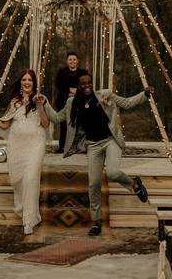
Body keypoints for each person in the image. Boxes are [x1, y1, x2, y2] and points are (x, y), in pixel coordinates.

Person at [46, 74, 153, 236]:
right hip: (93, 145)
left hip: (110, 141)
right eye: (83, 84)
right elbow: (55, 118)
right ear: (78, 86)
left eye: (89, 83)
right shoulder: (71, 103)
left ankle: (134, 184)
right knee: (93, 183)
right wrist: (44, 103)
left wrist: (144, 94)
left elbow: (127, 103)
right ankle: (96, 222)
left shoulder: (104, 95)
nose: (87, 86)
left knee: (113, 172)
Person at [0, 69, 50, 236]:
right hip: (17, 145)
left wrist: (39, 105)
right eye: (24, 79)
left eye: (30, 80)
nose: (27, 82)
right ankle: (29, 212)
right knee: (19, 182)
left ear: (34, 83)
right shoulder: (15, 102)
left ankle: (28, 221)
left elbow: (46, 124)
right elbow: (5, 125)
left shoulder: (41, 99)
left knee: (30, 179)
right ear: (20, 82)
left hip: (36, 143)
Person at [53, 51, 90, 153]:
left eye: (74, 59)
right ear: (67, 61)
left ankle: (81, 146)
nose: (72, 61)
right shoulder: (61, 72)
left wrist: (77, 91)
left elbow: (88, 85)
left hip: (80, 101)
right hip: (63, 101)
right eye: (70, 59)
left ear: (77, 61)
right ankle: (63, 146)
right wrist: (69, 90)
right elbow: (58, 85)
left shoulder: (83, 73)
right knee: (64, 124)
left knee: (81, 124)